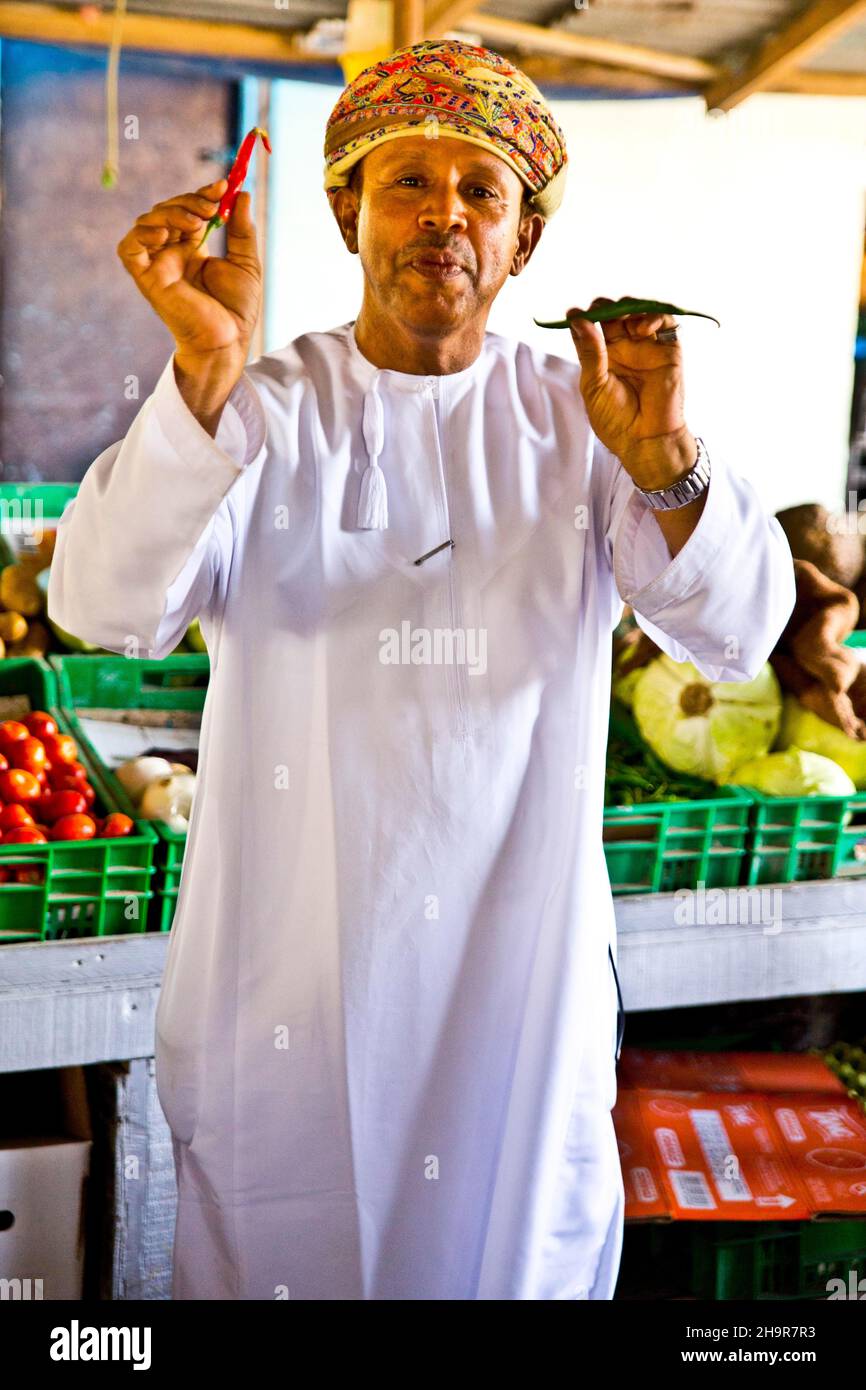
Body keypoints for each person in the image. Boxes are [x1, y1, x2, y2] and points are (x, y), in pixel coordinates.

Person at [48, 38, 796, 1300]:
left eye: (480, 190)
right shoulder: (257, 404)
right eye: (406, 182)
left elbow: (732, 633)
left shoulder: (590, 416)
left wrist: (666, 459)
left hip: (519, 1006)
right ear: (347, 212)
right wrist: (197, 376)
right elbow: (103, 605)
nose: (442, 214)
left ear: (523, 245)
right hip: (286, 994)